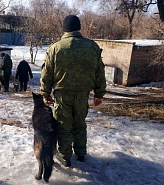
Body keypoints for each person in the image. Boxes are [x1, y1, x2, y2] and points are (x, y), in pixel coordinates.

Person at [40, 15, 106, 167]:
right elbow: (99, 72)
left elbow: (46, 74)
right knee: (80, 124)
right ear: (79, 28)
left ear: (64, 29)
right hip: (83, 94)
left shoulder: (55, 48)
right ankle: (81, 153)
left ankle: (65, 156)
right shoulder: (92, 47)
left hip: (62, 95)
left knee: (63, 125)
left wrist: (45, 93)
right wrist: (99, 94)